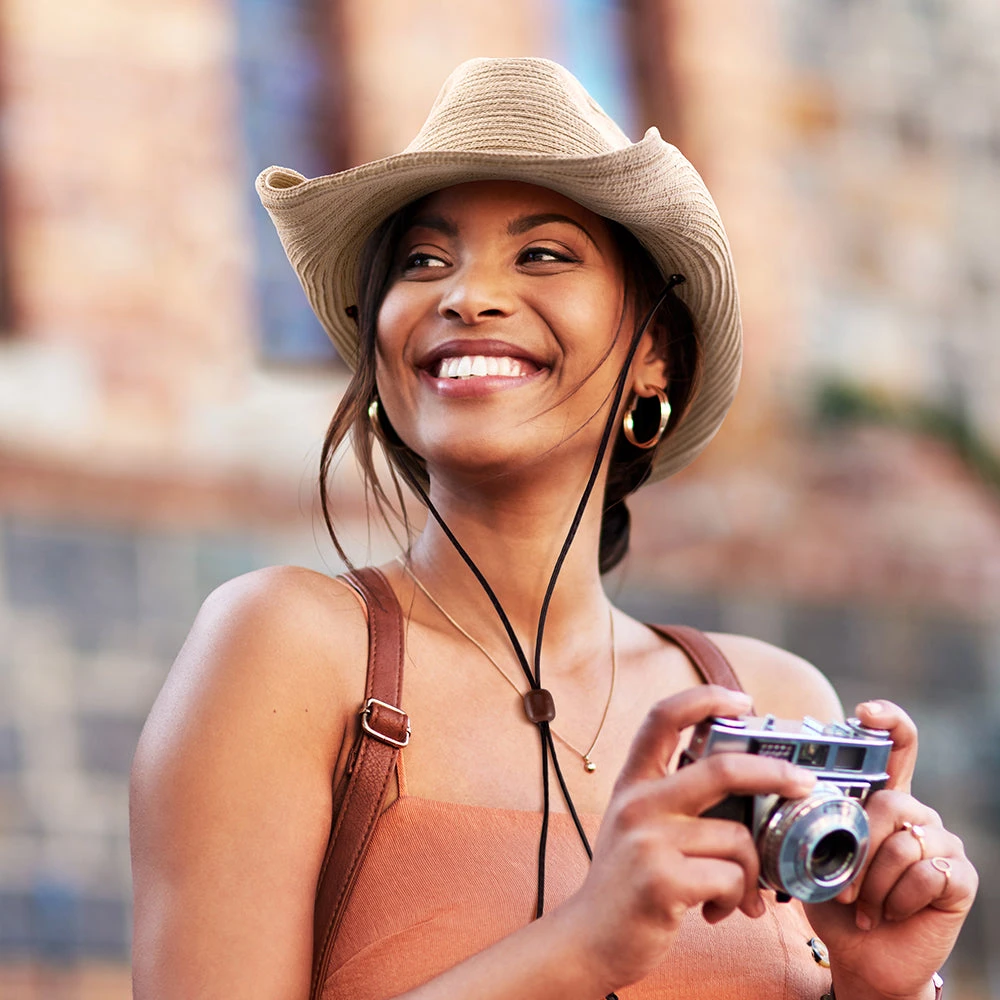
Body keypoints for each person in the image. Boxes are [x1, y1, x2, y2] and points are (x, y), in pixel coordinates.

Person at [129, 57, 976, 1000]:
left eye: (542, 255)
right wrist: (584, 946)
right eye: (423, 261)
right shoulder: (287, 647)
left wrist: (884, 989)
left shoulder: (765, 699)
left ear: (655, 356)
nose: (466, 295)